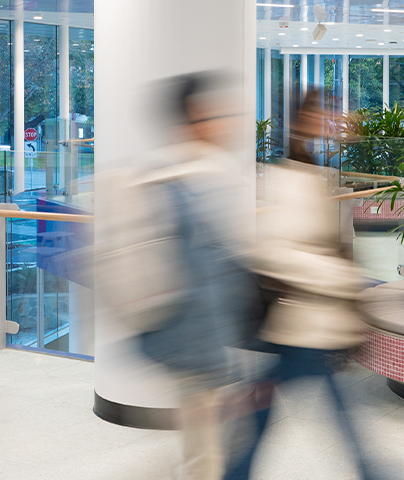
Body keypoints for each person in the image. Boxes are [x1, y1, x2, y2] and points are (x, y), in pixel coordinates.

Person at [97, 72, 253, 479]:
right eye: (220, 114)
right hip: (195, 341)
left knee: (203, 443)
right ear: (196, 117)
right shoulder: (199, 181)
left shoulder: (177, 173)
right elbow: (208, 275)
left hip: (192, 340)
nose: (229, 123)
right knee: (205, 451)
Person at [225, 91, 375, 479]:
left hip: (310, 324)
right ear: (300, 119)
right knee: (340, 418)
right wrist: (341, 279)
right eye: (324, 113)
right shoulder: (290, 175)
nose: (332, 121)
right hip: (301, 320)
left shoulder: (314, 169)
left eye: (333, 114)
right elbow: (276, 253)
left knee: (288, 411)